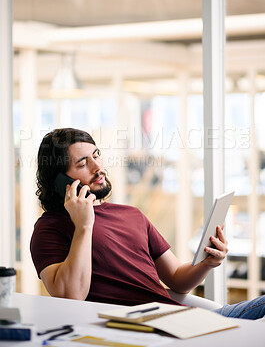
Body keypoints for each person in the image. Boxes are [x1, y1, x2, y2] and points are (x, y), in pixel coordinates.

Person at [31, 127, 265, 319]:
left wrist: (207, 263)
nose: (98, 167)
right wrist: (83, 225)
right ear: (60, 181)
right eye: (83, 163)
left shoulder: (131, 214)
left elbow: (177, 279)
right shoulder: (49, 228)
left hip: (182, 319)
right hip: (140, 329)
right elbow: (71, 298)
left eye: (96, 155)